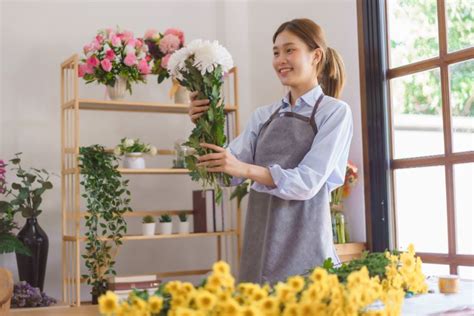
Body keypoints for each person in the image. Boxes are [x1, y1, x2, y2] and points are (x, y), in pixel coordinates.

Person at [188, 18, 353, 285]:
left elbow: (307, 182)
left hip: (306, 240)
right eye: (276, 52)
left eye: (290, 50)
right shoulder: (263, 116)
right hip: (260, 240)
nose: (280, 59)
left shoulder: (334, 112)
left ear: (316, 56)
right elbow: (225, 175)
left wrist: (245, 169)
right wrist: (203, 125)